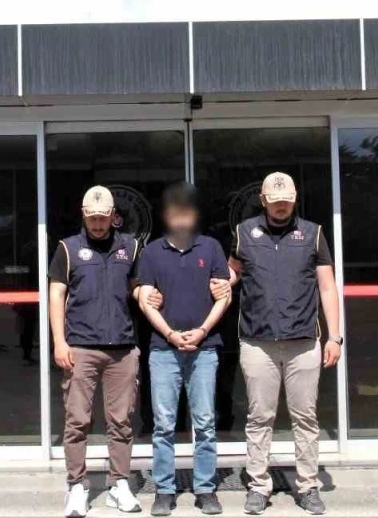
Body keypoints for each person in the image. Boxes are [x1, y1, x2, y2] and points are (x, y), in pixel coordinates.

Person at [229, 173, 342, 516]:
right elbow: (232, 273)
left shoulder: (313, 234)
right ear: (263, 201)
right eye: (275, 201)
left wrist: (334, 337)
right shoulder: (244, 232)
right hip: (257, 341)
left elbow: (327, 287)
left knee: (305, 418)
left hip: (303, 341)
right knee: (259, 417)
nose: (281, 207)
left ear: (294, 201)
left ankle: (308, 486)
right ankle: (258, 486)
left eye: (287, 201)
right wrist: (213, 282)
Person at [48, 186, 144, 517]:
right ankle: (76, 485)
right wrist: (59, 341)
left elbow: (137, 286)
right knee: (77, 420)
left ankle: (119, 485)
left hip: (122, 348)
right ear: (83, 215)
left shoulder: (130, 247)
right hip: (80, 347)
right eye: (93, 219)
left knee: (121, 421)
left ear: (113, 215)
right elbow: (56, 294)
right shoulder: (68, 248)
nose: (99, 225)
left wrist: (146, 295)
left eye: (103, 218)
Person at [136, 183, 231, 516]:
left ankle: (205, 489)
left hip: (205, 350)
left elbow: (224, 297)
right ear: (166, 215)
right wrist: (170, 334)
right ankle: (164, 489)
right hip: (163, 350)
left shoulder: (211, 248)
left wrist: (202, 331)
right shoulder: (151, 252)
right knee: (163, 425)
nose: (181, 217)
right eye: (174, 211)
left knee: (204, 423)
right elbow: (146, 301)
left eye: (186, 210)